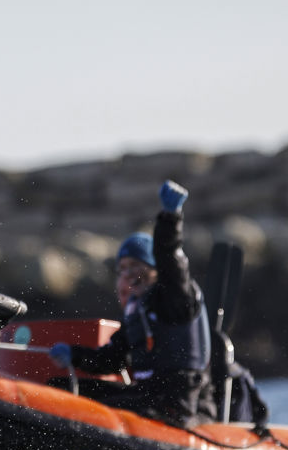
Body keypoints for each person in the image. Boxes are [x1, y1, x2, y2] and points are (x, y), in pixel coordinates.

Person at [47, 180, 215, 425]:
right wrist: (73, 355)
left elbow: (170, 258)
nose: (127, 275)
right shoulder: (138, 310)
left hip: (178, 404)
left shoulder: (176, 297)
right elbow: (111, 359)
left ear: (154, 270)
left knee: (99, 412)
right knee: (59, 389)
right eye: (122, 269)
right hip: (146, 395)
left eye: (135, 266)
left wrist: (170, 217)